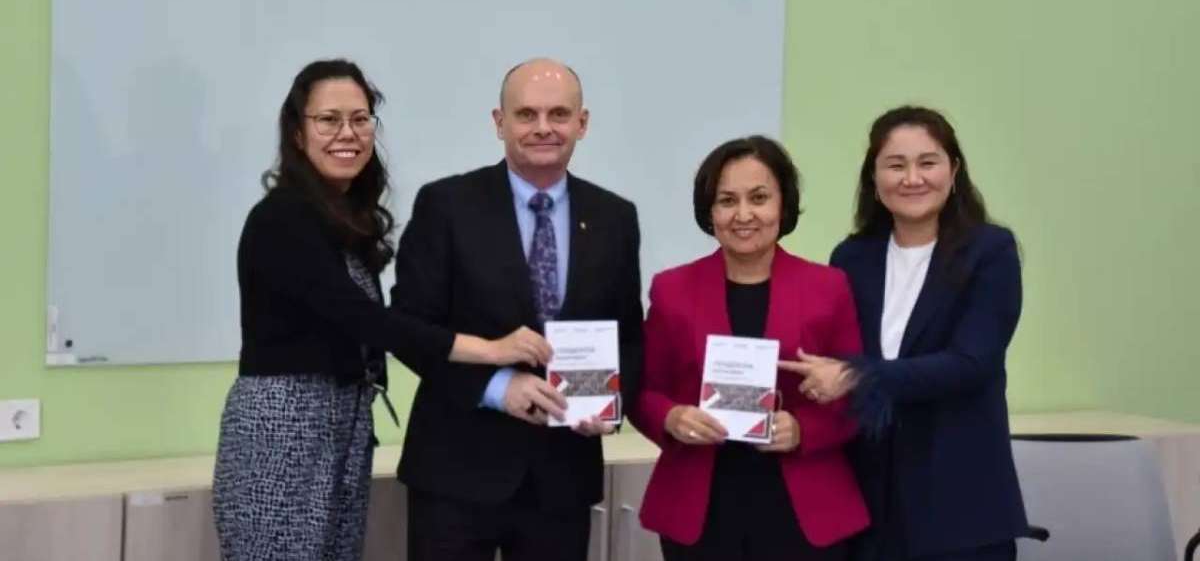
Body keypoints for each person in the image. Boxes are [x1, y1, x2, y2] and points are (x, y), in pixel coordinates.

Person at [211, 59, 550, 561]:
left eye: (360, 119)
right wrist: (491, 350)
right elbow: (366, 320)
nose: (347, 133)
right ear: (298, 134)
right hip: (285, 429)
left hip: (342, 423)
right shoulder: (282, 217)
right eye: (328, 120)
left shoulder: (340, 219)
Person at [390, 58, 644, 561]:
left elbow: (628, 335)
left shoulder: (615, 217)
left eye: (559, 114)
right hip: (456, 472)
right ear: (499, 122)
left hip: (562, 477)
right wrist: (497, 387)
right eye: (526, 114)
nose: (543, 127)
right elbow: (409, 328)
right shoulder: (447, 205)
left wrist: (611, 406)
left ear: (582, 123)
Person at [781, 106, 1027, 561]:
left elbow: (971, 363)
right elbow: (834, 353)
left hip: (960, 505)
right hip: (868, 505)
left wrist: (858, 376)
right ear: (874, 179)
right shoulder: (851, 257)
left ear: (954, 171)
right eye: (895, 165)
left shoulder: (990, 251)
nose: (912, 178)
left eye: (927, 162)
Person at [630, 136, 869, 561]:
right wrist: (671, 417)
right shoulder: (672, 290)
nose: (743, 215)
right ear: (710, 211)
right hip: (701, 509)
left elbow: (858, 396)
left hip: (805, 508)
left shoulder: (828, 287)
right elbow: (642, 389)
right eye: (727, 200)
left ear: (783, 204)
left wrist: (803, 429)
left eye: (759, 198)